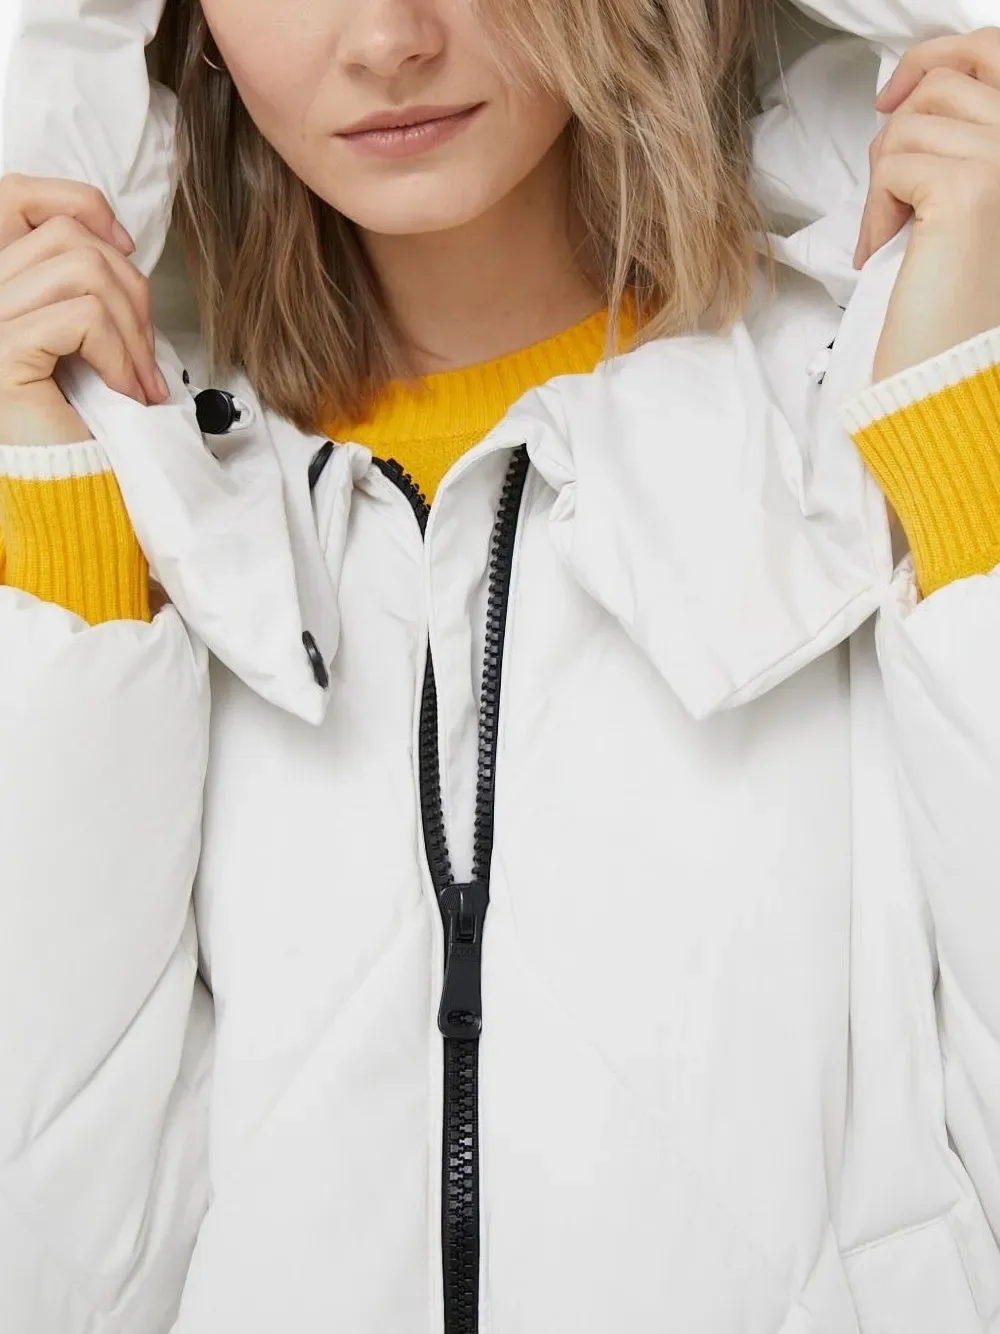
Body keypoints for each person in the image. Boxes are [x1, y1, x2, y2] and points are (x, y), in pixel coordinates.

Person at [2, 0, 1000, 1329]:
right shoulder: (157, 526)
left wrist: (966, 445)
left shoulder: (881, 418)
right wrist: (64, 567)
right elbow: (63, 1271)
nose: (388, 40)